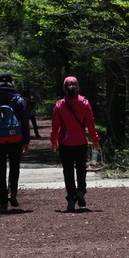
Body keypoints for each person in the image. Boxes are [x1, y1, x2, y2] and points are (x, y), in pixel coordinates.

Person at [51, 76, 101, 212]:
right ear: (77, 87)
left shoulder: (59, 105)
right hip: (80, 142)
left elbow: (55, 126)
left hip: (65, 142)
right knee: (81, 168)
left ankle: (71, 198)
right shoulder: (84, 103)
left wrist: (53, 141)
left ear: (64, 88)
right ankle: (81, 191)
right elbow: (91, 123)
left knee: (68, 171)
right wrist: (95, 140)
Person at [0, 73, 30, 212]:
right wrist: (26, 140)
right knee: (14, 167)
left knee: (0, 170)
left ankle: (2, 202)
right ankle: (12, 192)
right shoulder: (18, 100)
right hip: (16, 139)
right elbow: (24, 121)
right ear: (12, 83)